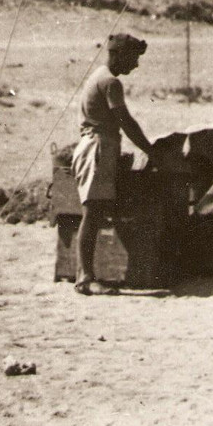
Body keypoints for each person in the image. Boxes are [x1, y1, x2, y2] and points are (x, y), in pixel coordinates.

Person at [71, 33, 155, 295]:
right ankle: (85, 278)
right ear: (117, 54)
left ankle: (87, 275)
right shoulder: (110, 82)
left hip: (98, 146)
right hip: (98, 149)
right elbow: (125, 122)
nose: (136, 65)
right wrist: (150, 150)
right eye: (133, 58)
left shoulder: (99, 76)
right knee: (93, 213)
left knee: (95, 212)